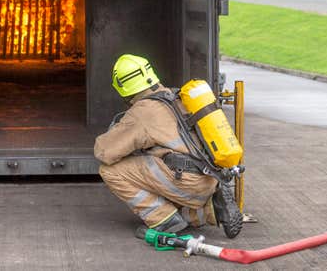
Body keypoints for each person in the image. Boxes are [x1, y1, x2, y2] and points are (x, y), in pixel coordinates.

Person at [94, 54, 241, 236]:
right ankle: (210, 210)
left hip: (186, 181)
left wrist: (118, 130)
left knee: (110, 171)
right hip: (210, 179)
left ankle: (162, 219)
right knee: (159, 160)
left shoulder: (143, 112)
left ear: (122, 87)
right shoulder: (176, 96)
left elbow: (104, 152)